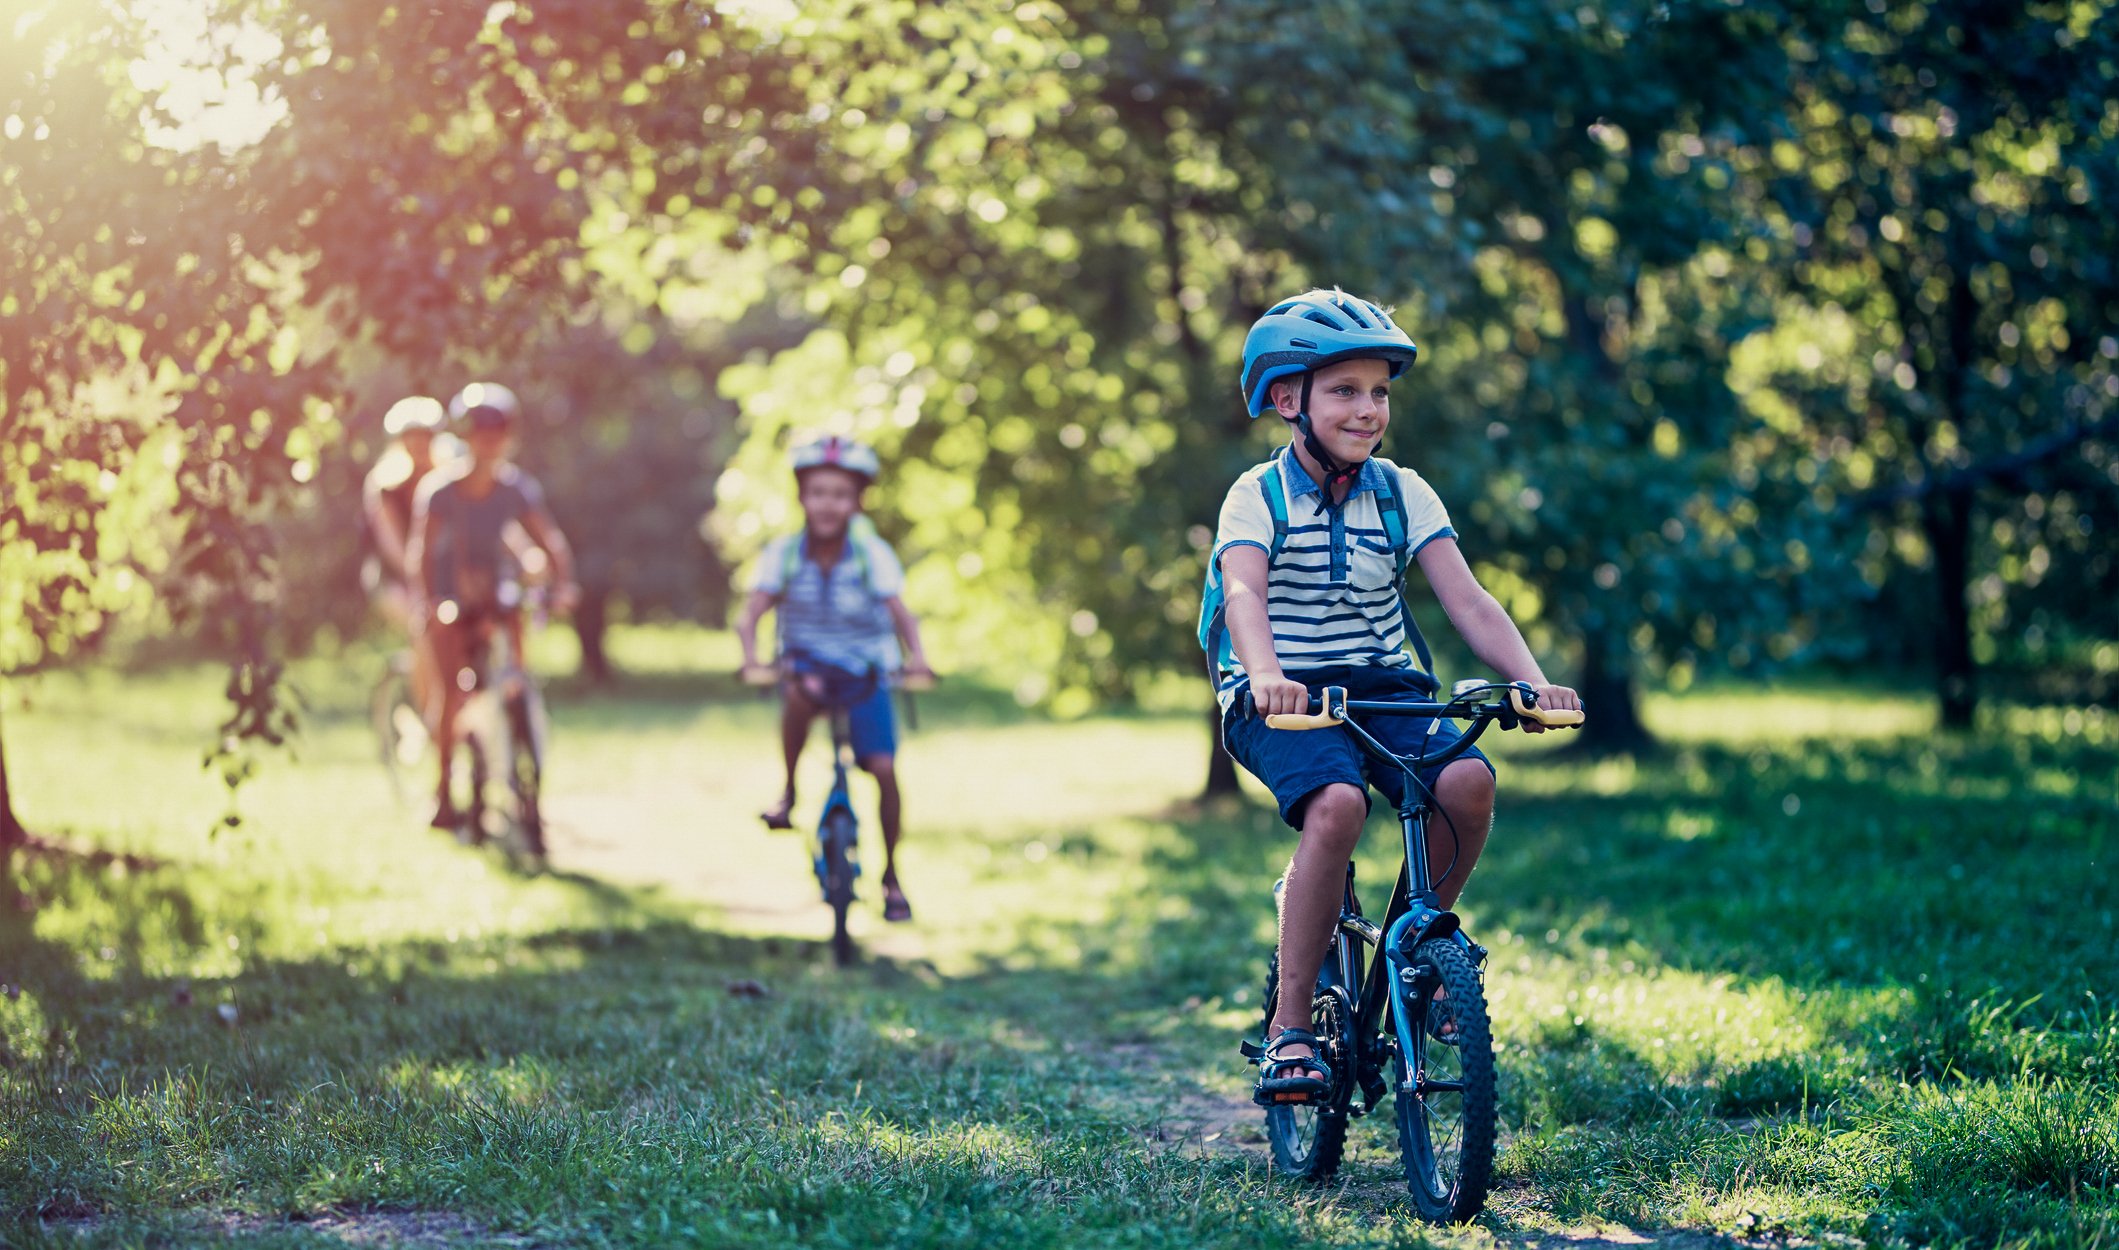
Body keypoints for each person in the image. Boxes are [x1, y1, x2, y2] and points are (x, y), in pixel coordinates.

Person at [1201, 288, 1582, 1106]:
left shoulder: (1404, 491)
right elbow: (1243, 592)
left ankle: (1421, 941)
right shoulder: (1253, 495)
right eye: (1343, 390)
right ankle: (1290, 1030)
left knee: (1468, 781)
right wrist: (1265, 676)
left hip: (1382, 684)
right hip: (1276, 688)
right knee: (1336, 806)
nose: (1368, 409)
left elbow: (1468, 600)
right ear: (1286, 399)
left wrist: (1529, 678)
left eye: (1379, 391)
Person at [735, 434, 934, 923]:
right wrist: (750, 658)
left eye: (840, 494)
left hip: (866, 669)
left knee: (885, 770)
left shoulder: (873, 554)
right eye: (819, 492)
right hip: (807, 665)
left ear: (857, 502)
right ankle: (788, 790)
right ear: (802, 496)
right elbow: (751, 614)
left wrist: (919, 659)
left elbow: (901, 615)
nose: (829, 504)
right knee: (799, 696)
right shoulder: (783, 554)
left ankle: (891, 876)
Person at [407, 382, 579, 832]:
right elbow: (421, 555)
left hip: (495, 594)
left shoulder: (514, 488)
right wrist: (429, 604)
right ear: (465, 436)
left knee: (514, 662)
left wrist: (563, 584)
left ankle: (516, 714)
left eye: (498, 430)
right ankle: (443, 793)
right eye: (480, 430)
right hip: (450, 598)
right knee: (450, 694)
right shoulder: (440, 491)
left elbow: (549, 539)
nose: (490, 440)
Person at [362, 396, 450, 723]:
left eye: (425, 438)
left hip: (438, 577)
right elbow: (392, 546)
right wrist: (421, 581)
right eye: (411, 438)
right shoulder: (385, 486)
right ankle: (432, 720)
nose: (419, 446)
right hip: (393, 579)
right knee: (423, 626)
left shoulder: (449, 479)